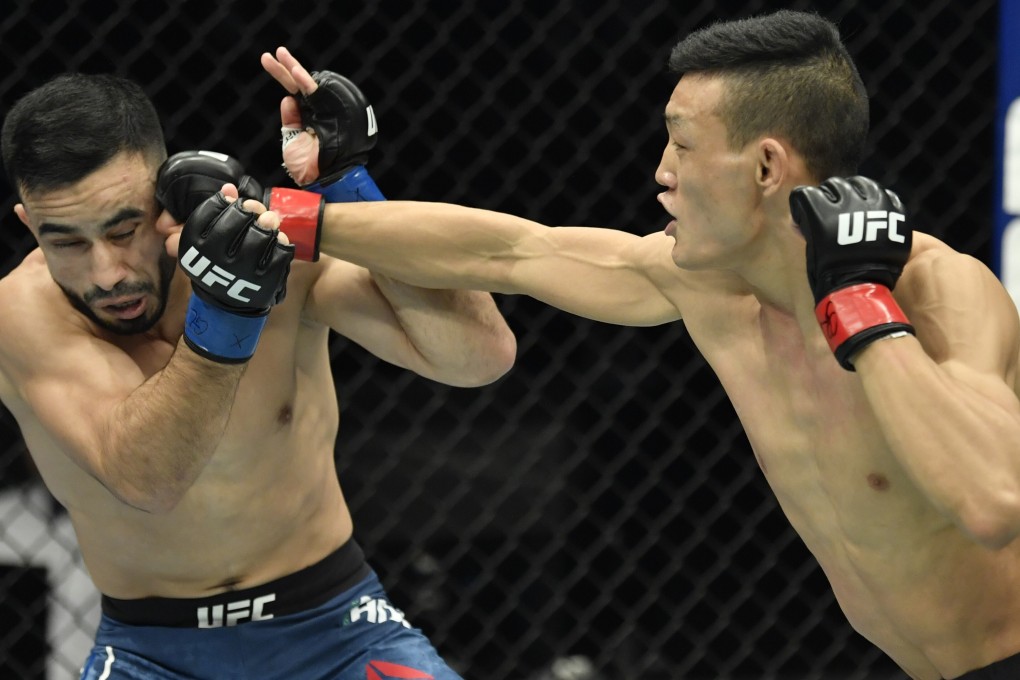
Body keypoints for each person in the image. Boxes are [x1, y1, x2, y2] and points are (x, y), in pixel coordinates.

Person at [259, 10, 1020, 680]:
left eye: (683, 145)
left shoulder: (936, 291)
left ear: (765, 166)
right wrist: (285, 213)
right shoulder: (704, 285)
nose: (661, 171)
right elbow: (508, 251)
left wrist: (857, 304)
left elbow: (994, 502)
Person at [0, 71, 516, 678]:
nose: (107, 273)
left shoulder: (272, 242)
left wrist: (349, 188)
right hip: (152, 654)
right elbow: (150, 480)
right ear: (29, 224)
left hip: (340, 626)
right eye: (66, 243)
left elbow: (479, 355)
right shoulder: (23, 313)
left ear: (167, 193)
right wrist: (227, 312)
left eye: (123, 230)